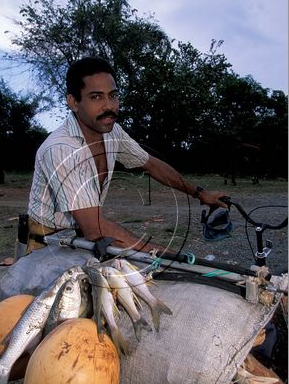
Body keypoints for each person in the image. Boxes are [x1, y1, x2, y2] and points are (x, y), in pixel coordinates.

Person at [27, 56, 228, 254]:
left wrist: (200, 193)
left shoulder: (112, 132)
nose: (109, 106)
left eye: (113, 95)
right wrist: (160, 253)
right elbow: (94, 229)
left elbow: (150, 164)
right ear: (73, 102)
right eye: (96, 97)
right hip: (47, 242)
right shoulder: (61, 149)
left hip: (81, 237)